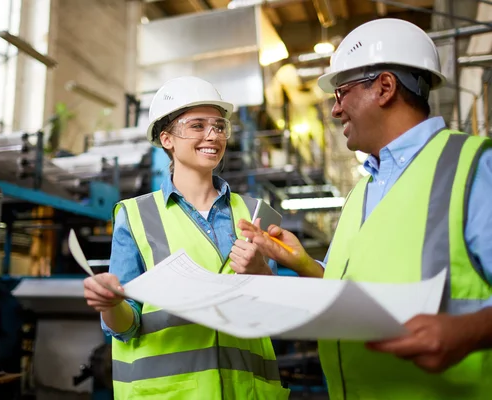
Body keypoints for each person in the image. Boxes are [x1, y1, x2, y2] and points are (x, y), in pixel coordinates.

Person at [239, 18, 492, 399]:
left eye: (341, 93)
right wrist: (306, 266)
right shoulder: (363, 191)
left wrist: (467, 333)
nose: (336, 110)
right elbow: (359, 300)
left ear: (385, 87)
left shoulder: (472, 167)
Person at [83, 76, 291, 399]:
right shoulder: (136, 216)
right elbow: (125, 326)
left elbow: (276, 314)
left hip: (248, 392)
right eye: (197, 125)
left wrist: (262, 274)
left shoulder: (254, 213)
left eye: (219, 126)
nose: (213, 135)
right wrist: (111, 305)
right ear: (167, 139)